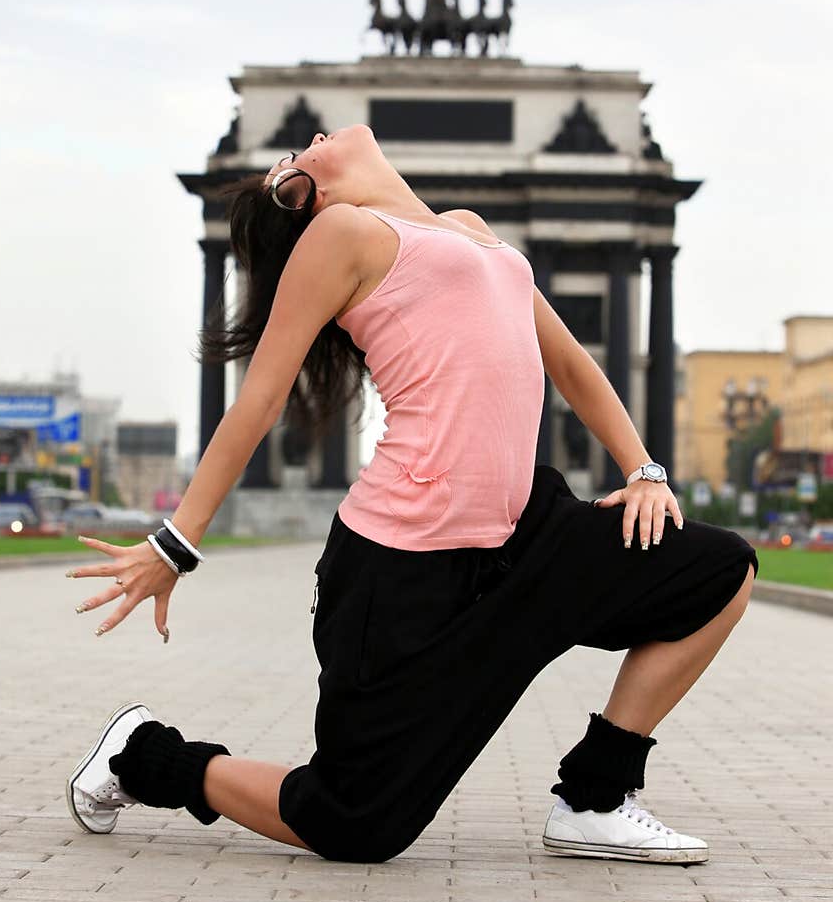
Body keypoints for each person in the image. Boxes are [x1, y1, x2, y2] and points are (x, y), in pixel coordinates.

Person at [65, 124, 757, 864]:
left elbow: (574, 367)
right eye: (289, 165)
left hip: (526, 535)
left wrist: (642, 470)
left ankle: (595, 796)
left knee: (716, 570)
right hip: (399, 569)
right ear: (309, 193)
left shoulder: (474, 233)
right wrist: (175, 544)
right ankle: (140, 755)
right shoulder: (341, 233)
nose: (307, 141)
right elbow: (259, 402)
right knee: (352, 823)